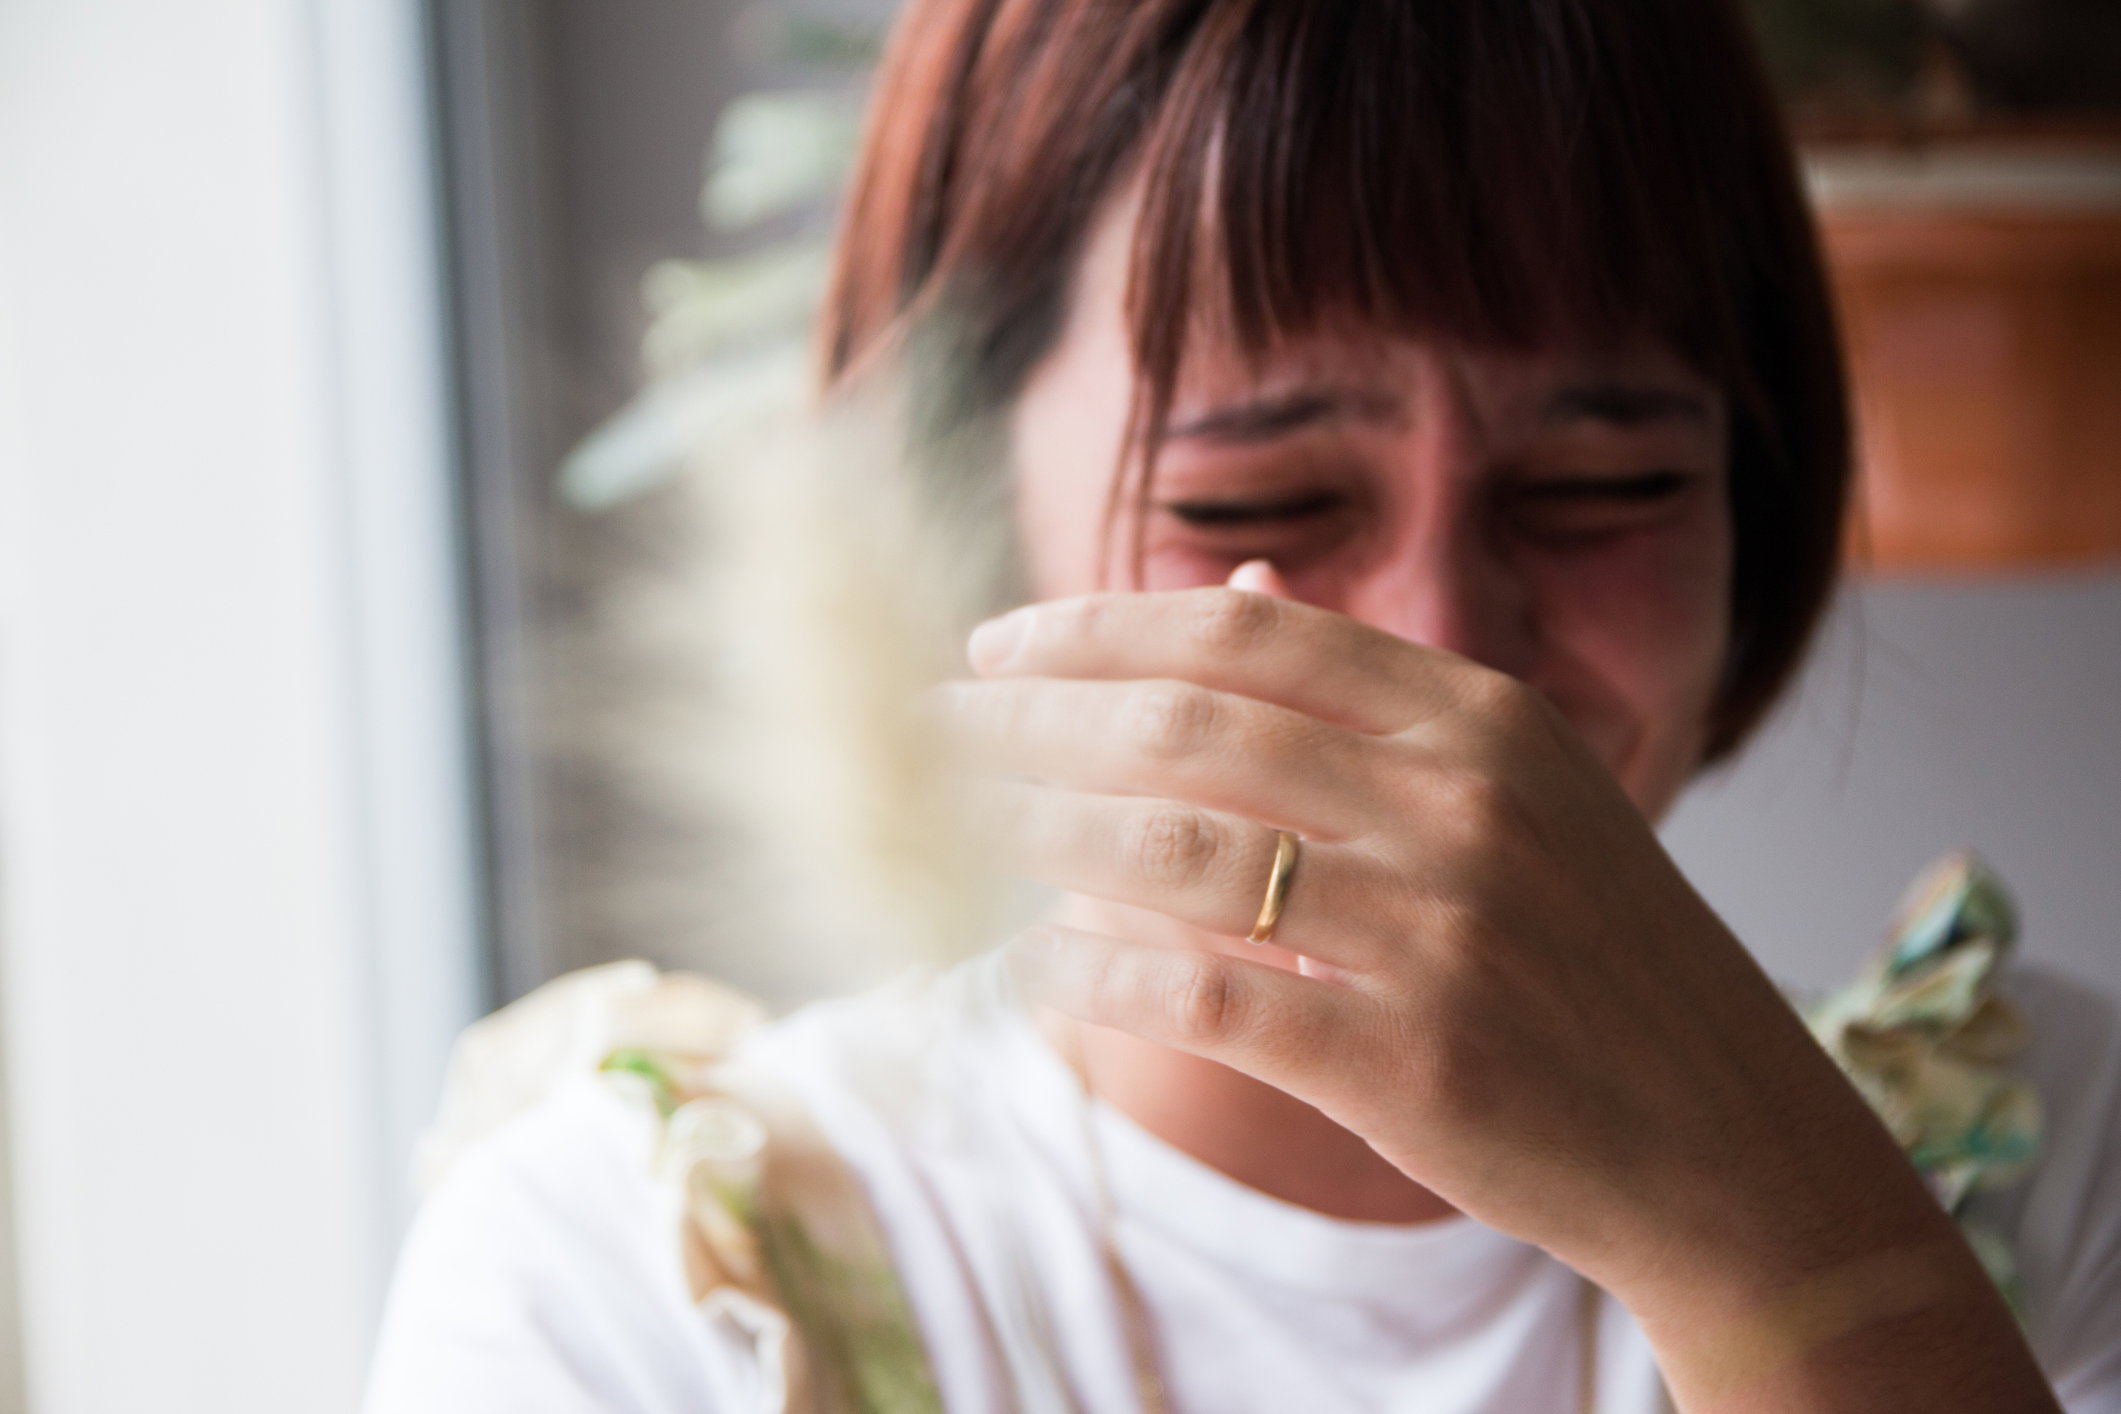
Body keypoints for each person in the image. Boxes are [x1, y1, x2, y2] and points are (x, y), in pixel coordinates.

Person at [363, 1, 2121, 1410]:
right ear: (950, 514)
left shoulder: (2057, 1162)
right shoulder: (633, 1281)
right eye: (1257, 501)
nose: (1449, 648)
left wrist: (1763, 1238)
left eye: (1603, 485)